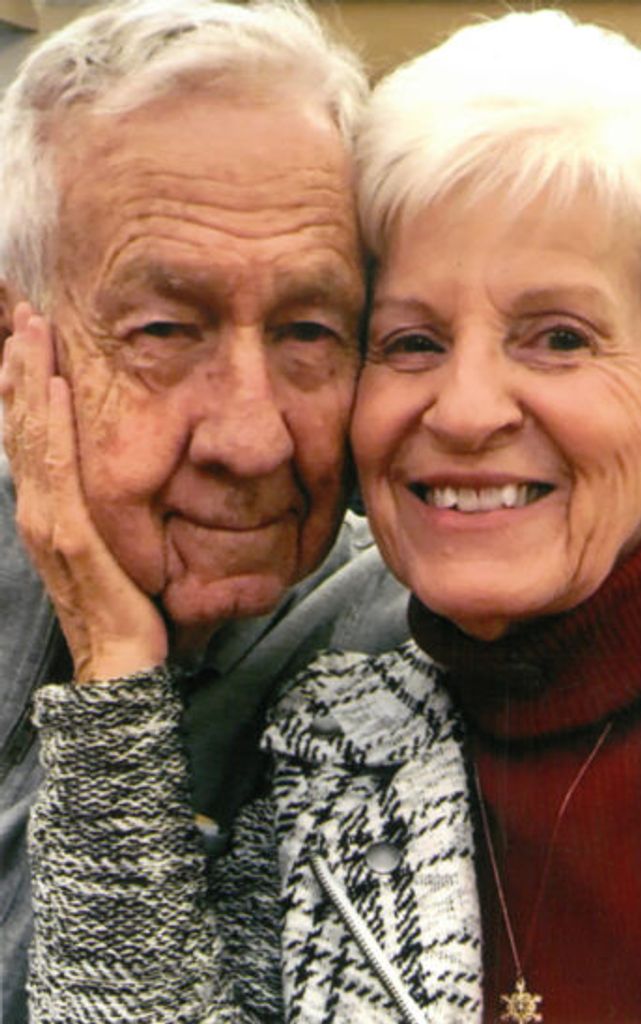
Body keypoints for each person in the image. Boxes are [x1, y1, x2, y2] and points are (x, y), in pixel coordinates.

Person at [13, 6, 641, 1024]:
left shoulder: (332, 669)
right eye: (411, 342)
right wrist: (114, 667)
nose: (465, 411)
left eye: (559, 338)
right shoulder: (337, 741)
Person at [0, 2, 410, 1022]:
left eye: (308, 330)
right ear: (16, 347)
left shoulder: (403, 660)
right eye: (165, 330)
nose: (253, 438)